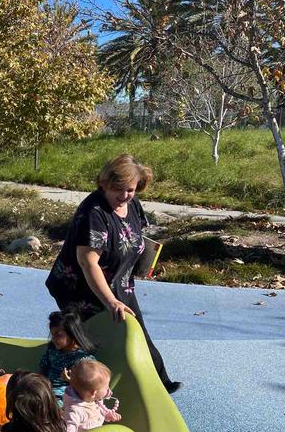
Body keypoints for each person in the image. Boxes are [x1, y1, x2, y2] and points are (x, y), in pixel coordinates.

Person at [44, 154, 182, 394]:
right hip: (80, 288)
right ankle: (73, 385)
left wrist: (142, 261)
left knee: (137, 333)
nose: (124, 195)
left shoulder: (132, 204)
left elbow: (134, 237)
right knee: (86, 340)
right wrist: (110, 301)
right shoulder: (94, 212)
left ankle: (161, 385)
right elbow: (88, 263)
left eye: (130, 189)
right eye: (118, 189)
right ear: (105, 183)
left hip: (120, 283)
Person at [40, 310, 97, 400]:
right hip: (46, 391)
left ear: (72, 334)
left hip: (65, 398)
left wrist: (70, 380)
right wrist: (41, 383)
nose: (53, 338)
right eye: (52, 334)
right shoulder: (53, 352)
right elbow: (43, 368)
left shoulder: (84, 360)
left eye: (58, 335)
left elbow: (89, 387)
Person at [61, 359, 122, 432]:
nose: (108, 389)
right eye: (106, 387)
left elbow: (99, 412)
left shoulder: (94, 400)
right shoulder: (75, 411)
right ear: (93, 393)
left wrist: (107, 415)